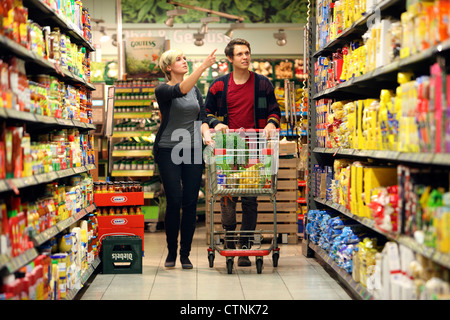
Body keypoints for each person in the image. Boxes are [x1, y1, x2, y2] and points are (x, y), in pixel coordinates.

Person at [204, 38, 281, 267]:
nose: (245, 57)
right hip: (227, 149)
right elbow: (205, 112)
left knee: (250, 199)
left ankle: (245, 247)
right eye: (239, 54)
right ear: (230, 58)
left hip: (255, 149)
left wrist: (270, 123)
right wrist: (215, 123)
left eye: (247, 53)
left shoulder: (263, 84)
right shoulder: (219, 86)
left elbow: (274, 111)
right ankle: (229, 241)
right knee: (228, 197)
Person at [154, 48, 216, 269]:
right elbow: (180, 89)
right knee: (174, 200)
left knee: (190, 202)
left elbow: (201, 117)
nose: (184, 61)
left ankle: (185, 254)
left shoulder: (196, 91)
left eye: (185, 58)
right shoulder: (162, 90)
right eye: (178, 59)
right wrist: (203, 66)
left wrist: (207, 136)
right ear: (168, 67)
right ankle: (171, 251)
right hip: (168, 150)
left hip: (192, 150)